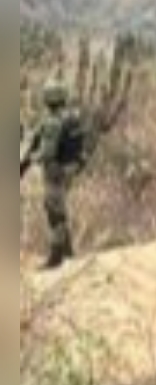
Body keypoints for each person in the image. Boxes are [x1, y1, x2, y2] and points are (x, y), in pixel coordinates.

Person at [25, 80, 85, 271]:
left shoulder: (52, 122)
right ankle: (68, 251)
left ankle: (56, 256)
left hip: (55, 171)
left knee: (54, 211)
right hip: (69, 169)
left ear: (47, 99)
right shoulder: (72, 117)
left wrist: (32, 159)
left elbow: (47, 153)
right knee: (59, 207)